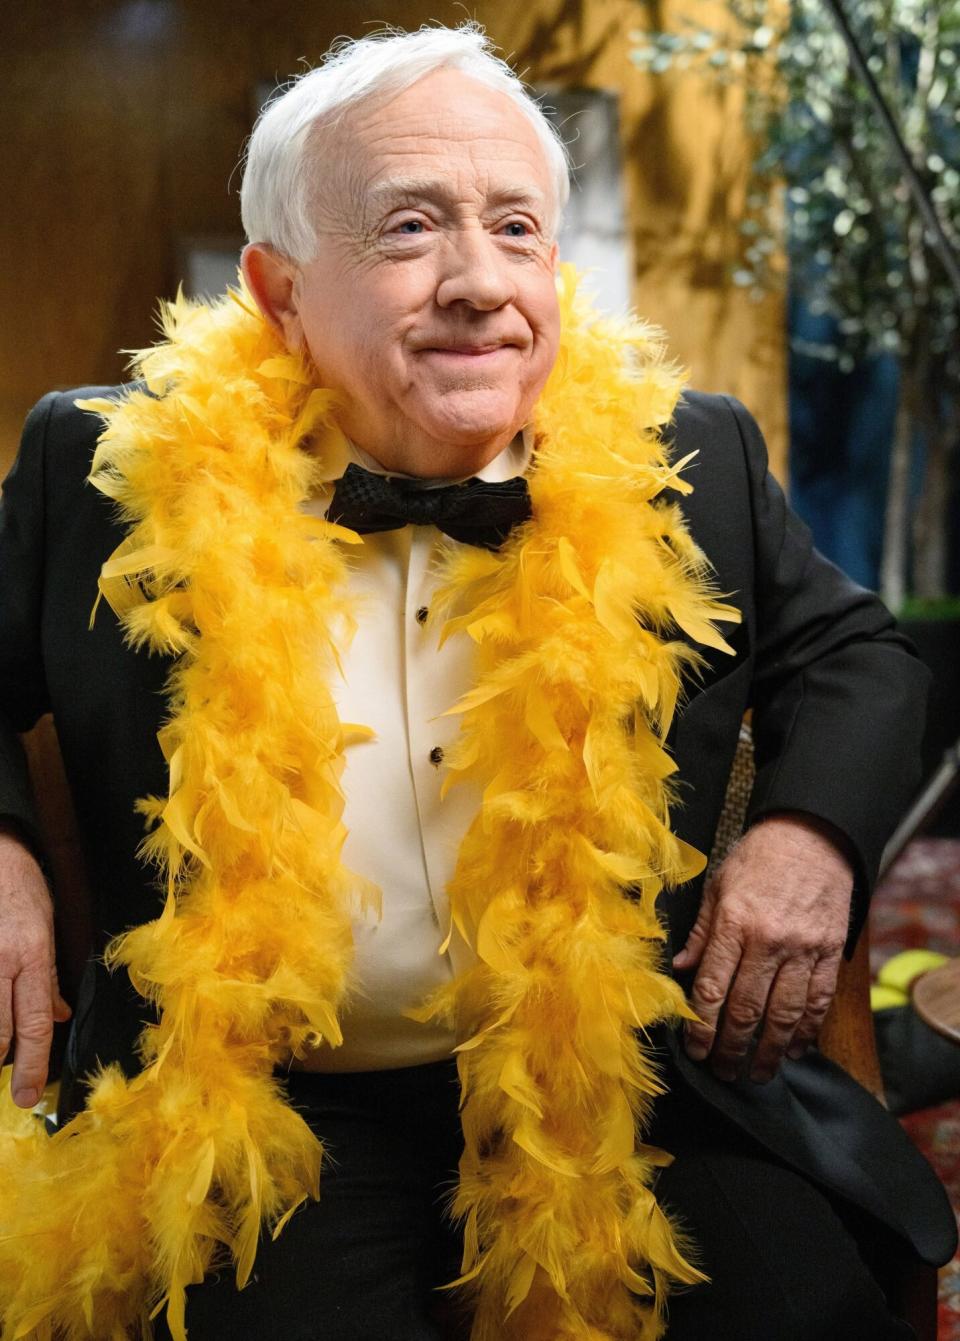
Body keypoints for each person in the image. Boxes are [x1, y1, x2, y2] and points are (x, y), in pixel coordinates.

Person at [0, 22, 953, 1341]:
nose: (478, 282)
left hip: (625, 1094)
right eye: (408, 230)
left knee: (808, 1313)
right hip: (262, 1110)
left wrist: (805, 835)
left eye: (516, 228)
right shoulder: (96, 472)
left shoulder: (692, 457)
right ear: (279, 296)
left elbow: (859, 652)